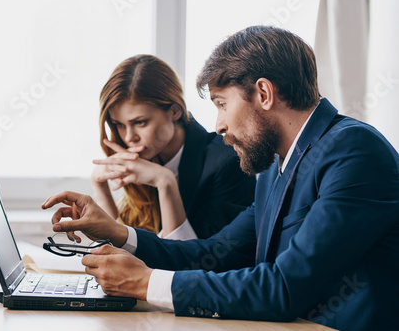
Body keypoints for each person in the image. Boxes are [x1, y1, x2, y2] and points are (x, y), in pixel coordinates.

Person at [42, 26, 399, 330]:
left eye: (222, 103)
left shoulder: (353, 151)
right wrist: (119, 233)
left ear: (263, 94)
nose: (218, 126)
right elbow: (215, 253)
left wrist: (146, 282)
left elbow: (285, 288)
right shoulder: (276, 166)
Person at [89, 54, 255, 239]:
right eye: (119, 124)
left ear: (175, 111)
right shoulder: (144, 162)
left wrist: (165, 182)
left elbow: (204, 261)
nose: (129, 137)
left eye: (140, 122)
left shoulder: (227, 162)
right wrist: (100, 187)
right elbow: (117, 253)